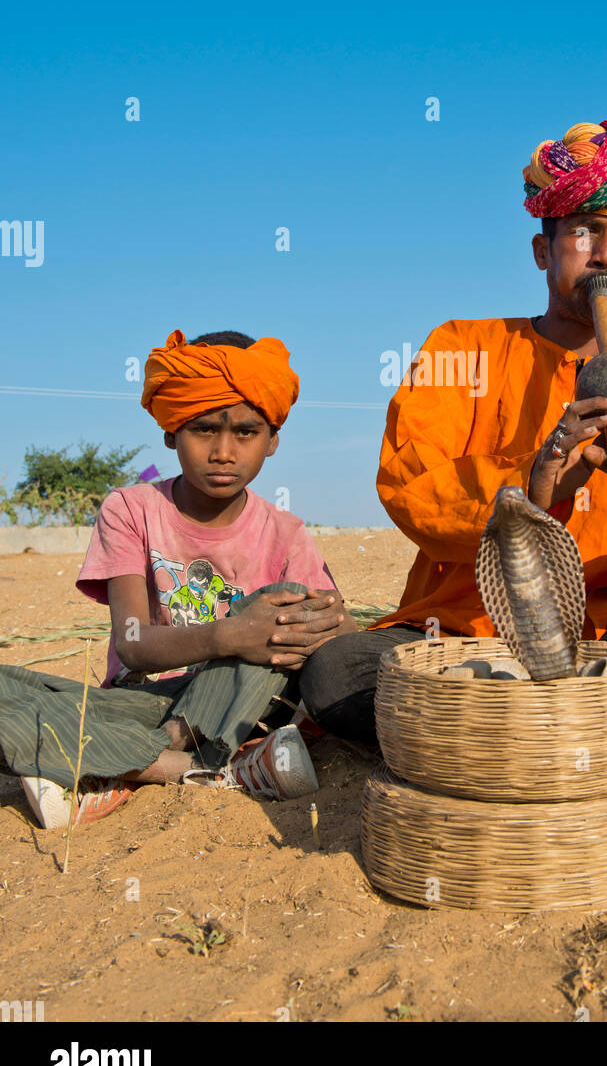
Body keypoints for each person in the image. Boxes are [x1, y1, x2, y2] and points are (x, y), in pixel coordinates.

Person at [302, 118, 607, 752]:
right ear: (544, 251)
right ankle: (604, 722)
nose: (604, 253)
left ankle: (519, 729)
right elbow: (412, 490)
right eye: (583, 231)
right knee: (334, 675)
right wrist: (530, 485)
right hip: (470, 634)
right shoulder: (461, 349)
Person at [0, 329, 358, 828]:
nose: (223, 452)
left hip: (238, 701)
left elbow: (335, 626)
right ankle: (202, 768)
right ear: (171, 432)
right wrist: (228, 635)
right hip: (140, 697)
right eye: (204, 429)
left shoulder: (286, 532)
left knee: (286, 609)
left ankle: (119, 765)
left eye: (246, 433)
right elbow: (132, 643)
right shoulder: (131, 509)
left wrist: (320, 622)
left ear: (272, 440)